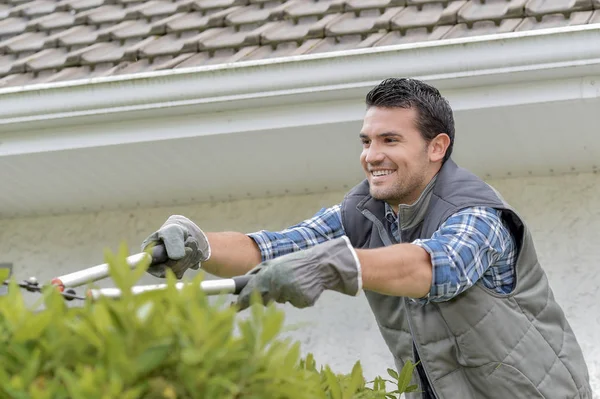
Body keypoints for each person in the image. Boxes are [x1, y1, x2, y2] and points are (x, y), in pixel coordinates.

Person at [141, 78, 592, 398]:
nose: (371, 156)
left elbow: (434, 267)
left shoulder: (476, 213)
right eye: (366, 141)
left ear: (436, 148)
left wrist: (335, 264)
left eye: (390, 140)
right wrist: (200, 244)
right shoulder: (363, 212)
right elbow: (274, 248)